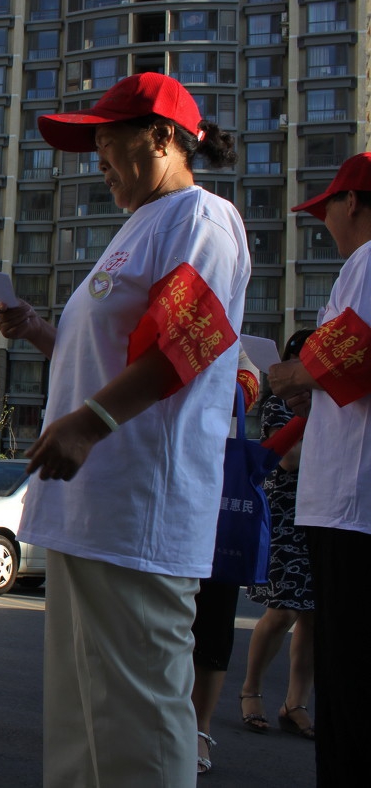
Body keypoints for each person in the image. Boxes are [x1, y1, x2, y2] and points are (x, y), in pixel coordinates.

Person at [0, 72, 250, 788]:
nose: (98, 157)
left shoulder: (199, 217)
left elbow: (186, 341)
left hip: (140, 509)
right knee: (85, 714)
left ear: (162, 137)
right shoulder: (138, 227)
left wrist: (92, 421)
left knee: (137, 718)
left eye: (108, 141)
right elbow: (110, 356)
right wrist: (44, 332)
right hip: (90, 506)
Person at [266, 152, 371, 786]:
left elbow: (349, 354)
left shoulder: (364, 262)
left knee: (349, 683)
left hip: (352, 506)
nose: (323, 220)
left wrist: (286, 375)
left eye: (326, 206)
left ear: (352, 203)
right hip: (349, 504)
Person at [239, 328, 316, 741]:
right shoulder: (277, 408)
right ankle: (251, 689)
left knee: (314, 616)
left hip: (324, 514)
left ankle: (296, 703)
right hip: (287, 516)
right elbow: (289, 461)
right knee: (283, 609)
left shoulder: (334, 405)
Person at [190, 354, 259, 776]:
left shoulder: (222, 328)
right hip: (158, 483)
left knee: (214, 619)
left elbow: (246, 385)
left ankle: (200, 727)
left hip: (216, 492)